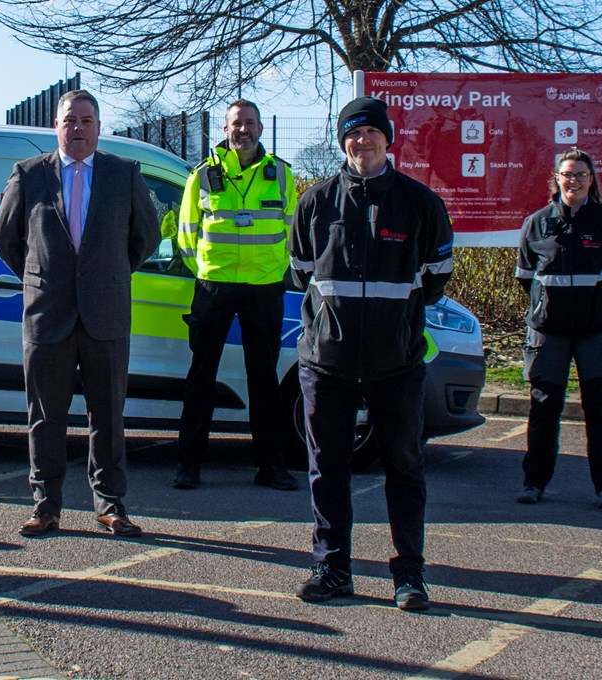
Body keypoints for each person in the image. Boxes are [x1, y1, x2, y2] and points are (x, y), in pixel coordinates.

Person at [289, 97, 454, 611]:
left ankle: (410, 575)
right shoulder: (315, 203)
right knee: (326, 468)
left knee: (404, 467)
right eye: (353, 134)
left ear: (388, 139)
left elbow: (433, 281)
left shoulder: (421, 204)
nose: (363, 142)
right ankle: (333, 567)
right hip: (327, 362)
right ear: (343, 142)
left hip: (396, 363)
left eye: (371, 133)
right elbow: (300, 273)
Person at [0, 90, 163, 539]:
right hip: (48, 313)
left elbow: (146, 236)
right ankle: (45, 506)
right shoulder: (29, 175)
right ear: (57, 126)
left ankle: (110, 505)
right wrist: (41, 275)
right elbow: (6, 239)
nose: (79, 128)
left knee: (108, 415)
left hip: (105, 313)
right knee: (46, 415)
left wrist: (108, 273)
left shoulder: (124, 174)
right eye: (71, 120)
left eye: (87, 120)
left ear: (100, 127)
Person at [168, 99, 299, 492]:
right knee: (200, 377)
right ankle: (189, 464)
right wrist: (209, 272)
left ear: (261, 129)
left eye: (250, 123)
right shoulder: (203, 176)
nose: (243, 130)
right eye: (236, 124)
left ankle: (270, 466)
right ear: (224, 130)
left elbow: (292, 231)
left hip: (264, 288)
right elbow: (186, 236)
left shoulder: (281, 175)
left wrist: (273, 270)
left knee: (264, 380)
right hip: (215, 287)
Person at [512, 149, 602, 510]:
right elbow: (525, 278)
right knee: (543, 408)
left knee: (599, 409)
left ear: (591, 180)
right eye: (568, 174)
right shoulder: (536, 223)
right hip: (549, 332)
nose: (574, 181)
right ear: (557, 179)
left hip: (596, 331)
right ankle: (534, 483)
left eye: (582, 175)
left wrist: (598, 307)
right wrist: (548, 307)